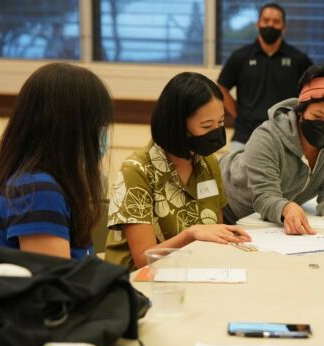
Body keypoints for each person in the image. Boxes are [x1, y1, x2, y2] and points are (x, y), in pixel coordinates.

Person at [104, 73, 249, 270]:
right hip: (138, 280)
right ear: (178, 126)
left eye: (221, 122)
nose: (216, 132)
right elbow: (143, 259)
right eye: (207, 125)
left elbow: (216, 232)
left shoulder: (208, 163)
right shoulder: (137, 171)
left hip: (194, 270)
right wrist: (191, 234)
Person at [219, 63, 324, 234]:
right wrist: (286, 207)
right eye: (317, 116)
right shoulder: (267, 136)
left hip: (263, 224)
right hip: (225, 203)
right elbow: (264, 196)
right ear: (301, 110)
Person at [0, 63, 112, 259]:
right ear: (70, 129)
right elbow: (57, 277)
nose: (102, 133)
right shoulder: (38, 190)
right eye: (98, 124)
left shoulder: (36, 182)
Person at [217, 2, 313, 153]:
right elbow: (221, 87)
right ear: (258, 24)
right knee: (234, 169)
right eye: (266, 20)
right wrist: (237, 114)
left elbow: (312, 89)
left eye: (276, 22)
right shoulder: (240, 56)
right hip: (245, 136)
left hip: (285, 137)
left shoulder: (298, 59)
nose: (270, 25)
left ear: (284, 27)